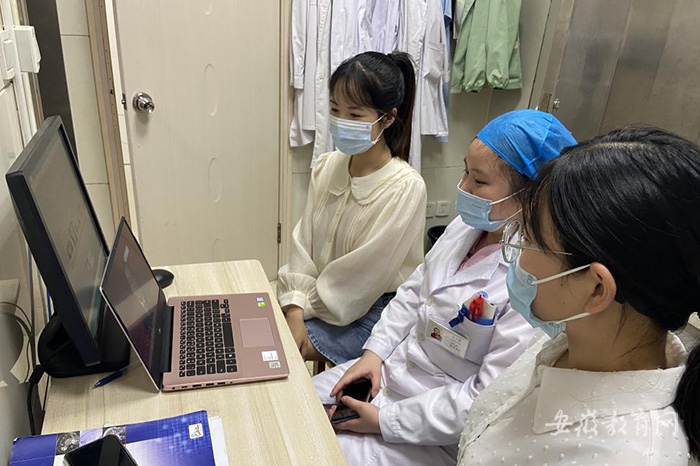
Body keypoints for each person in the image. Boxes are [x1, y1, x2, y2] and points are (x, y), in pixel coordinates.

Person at [313, 110, 577, 465]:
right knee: (295, 407)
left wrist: (384, 421)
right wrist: (373, 355)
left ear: (530, 195)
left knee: (315, 453)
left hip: (433, 429)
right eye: (465, 171)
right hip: (389, 373)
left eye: (479, 181)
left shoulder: (532, 279)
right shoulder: (464, 228)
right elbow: (413, 293)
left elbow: (486, 397)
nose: (463, 188)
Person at [457, 127, 700, 465]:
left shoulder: (628, 455)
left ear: (596, 288)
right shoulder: (566, 340)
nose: (515, 251)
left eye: (528, 238)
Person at [277, 51, 427, 364]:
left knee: (282, 351)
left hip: (372, 311)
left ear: (387, 118)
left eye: (355, 115)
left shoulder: (405, 187)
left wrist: (299, 309)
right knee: (269, 333)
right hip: (322, 298)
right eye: (335, 109)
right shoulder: (327, 165)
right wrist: (295, 305)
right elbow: (304, 242)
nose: (341, 121)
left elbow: (361, 279)